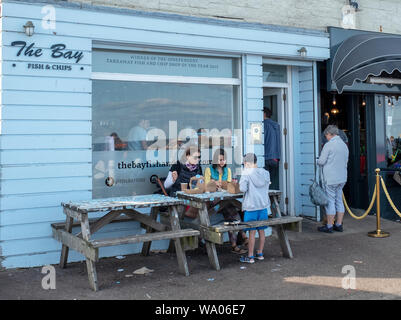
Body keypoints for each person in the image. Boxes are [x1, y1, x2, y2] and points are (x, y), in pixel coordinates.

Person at [204, 148, 248, 254]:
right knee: (234, 212)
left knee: (233, 213)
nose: (222, 162)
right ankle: (243, 236)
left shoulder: (227, 170)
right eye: (220, 159)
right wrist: (214, 184)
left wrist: (228, 184)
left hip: (225, 200)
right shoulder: (209, 170)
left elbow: (228, 186)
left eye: (223, 160)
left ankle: (234, 245)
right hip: (213, 200)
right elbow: (205, 186)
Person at [239, 153, 271, 264]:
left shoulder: (246, 173)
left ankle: (250, 256)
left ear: (247, 163)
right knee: (261, 231)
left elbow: (242, 189)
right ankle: (260, 253)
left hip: (251, 206)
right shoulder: (265, 173)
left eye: (244, 163)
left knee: (251, 233)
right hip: (263, 206)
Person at [317, 125, 349, 233]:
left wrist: (317, 160)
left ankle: (329, 226)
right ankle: (339, 224)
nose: (326, 137)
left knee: (330, 201)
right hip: (342, 177)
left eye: (326, 135)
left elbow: (321, 161)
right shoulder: (344, 145)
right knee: (339, 200)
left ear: (330, 134)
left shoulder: (328, 145)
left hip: (330, 178)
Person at [164, 146, 203, 218]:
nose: (198, 159)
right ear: (188, 156)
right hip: (178, 196)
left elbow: (201, 182)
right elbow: (166, 185)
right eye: (195, 157)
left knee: (205, 204)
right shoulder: (177, 165)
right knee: (200, 207)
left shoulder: (198, 167)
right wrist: (173, 180)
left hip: (193, 196)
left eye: (199, 157)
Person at [263, 107, 280, 189]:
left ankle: (267, 200)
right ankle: (272, 199)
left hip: (266, 157)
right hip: (275, 158)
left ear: (264, 114)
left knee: (265, 183)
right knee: (271, 181)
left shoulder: (264, 125)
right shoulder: (276, 125)